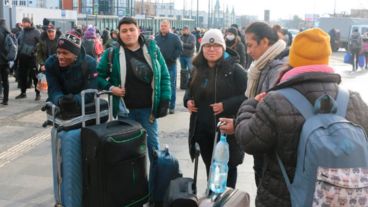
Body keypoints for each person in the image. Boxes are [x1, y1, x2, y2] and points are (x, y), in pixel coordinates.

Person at [229, 28, 368, 206]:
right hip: (338, 199)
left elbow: (248, 140)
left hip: (283, 198)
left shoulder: (276, 100)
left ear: (293, 58)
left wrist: (249, 105)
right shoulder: (353, 99)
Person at [219, 22, 290, 187]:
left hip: (274, 154)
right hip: (267, 152)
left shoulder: (278, 69)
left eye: (251, 45)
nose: (248, 50)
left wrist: (238, 125)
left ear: (265, 42)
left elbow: (270, 115)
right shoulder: (263, 65)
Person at [97, 17, 171, 163]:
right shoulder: (112, 53)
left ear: (138, 31)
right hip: (125, 112)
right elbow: (97, 76)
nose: (128, 33)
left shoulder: (152, 50)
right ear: (119, 33)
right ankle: (134, 184)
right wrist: (111, 88)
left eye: (132, 29)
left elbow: (164, 76)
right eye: (124, 31)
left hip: (148, 111)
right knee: (129, 152)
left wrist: (165, 98)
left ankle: (155, 184)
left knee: (153, 150)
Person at [183, 29, 247, 189]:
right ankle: (212, 195)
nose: (211, 50)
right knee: (209, 166)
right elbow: (189, 90)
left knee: (227, 168)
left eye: (217, 46)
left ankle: (228, 199)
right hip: (203, 130)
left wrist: (226, 105)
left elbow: (247, 98)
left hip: (225, 132)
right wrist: (187, 101)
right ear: (202, 48)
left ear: (223, 48)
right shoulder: (197, 68)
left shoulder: (235, 70)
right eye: (207, 46)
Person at [45, 30, 98, 207]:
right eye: (58, 52)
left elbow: (92, 93)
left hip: (85, 114)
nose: (60, 56)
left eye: (65, 53)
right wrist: (59, 99)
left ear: (75, 55)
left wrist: (74, 100)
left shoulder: (89, 63)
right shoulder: (51, 63)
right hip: (64, 113)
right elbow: (53, 89)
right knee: (64, 156)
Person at [155, 20, 182, 114]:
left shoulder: (174, 37)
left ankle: (171, 106)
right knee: (159, 86)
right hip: (159, 67)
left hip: (171, 65)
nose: (163, 27)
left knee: (171, 86)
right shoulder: (157, 38)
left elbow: (179, 48)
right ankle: (163, 106)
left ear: (169, 27)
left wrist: (173, 57)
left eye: (165, 26)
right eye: (162, 26)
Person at [15, 17, 41, 100]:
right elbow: (18, 43)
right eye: (23, 22)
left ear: (29, 23)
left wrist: (34, 50)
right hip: (22, 57)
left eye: (25, 22)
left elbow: (41, 45)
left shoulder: (36, 32)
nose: (23, 24)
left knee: (35, 76)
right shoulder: (22, 32)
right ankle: (23, 92)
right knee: (22, 76)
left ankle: (38, 94)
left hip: (32, 58)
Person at [0, 18, 16, 105]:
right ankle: (5, 99)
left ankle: (2, 96)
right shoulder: (8, 34)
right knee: (5, 81)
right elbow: (13, 48)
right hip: (5, 62)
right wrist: (10, 59)